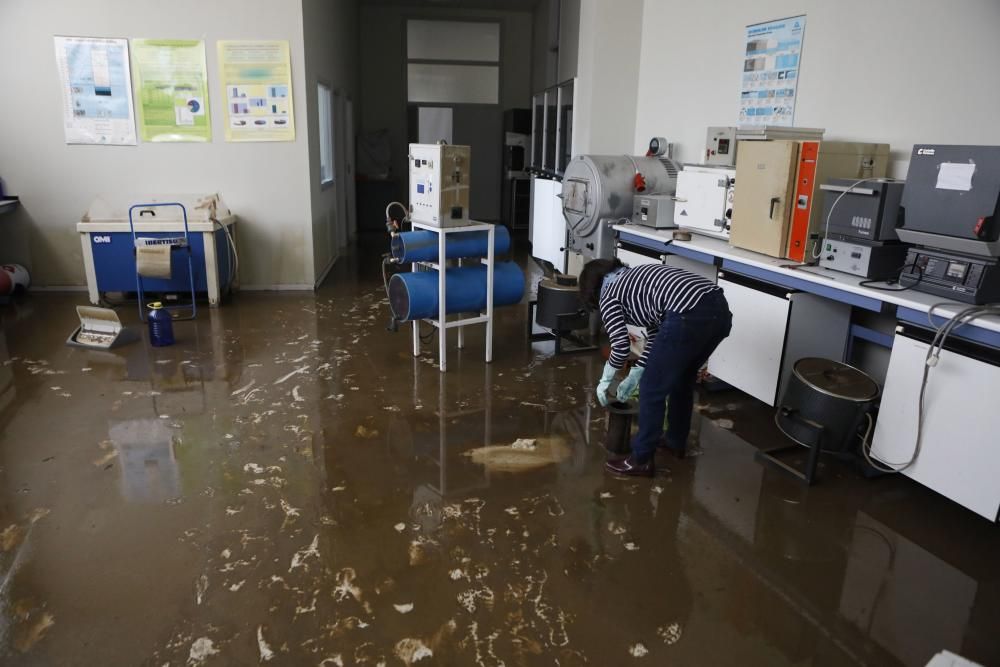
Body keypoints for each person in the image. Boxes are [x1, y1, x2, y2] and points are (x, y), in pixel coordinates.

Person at [578, 259, 732, 476]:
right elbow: (656, 336)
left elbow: (621, 346)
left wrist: (605, 380)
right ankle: (675, 443)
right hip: (719, 311)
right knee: (681, 380)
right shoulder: (637, 280)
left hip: (686, 312)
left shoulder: (609, 293)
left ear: (591, 290)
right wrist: (636, 372)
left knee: (651, 389)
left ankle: (640, 459)